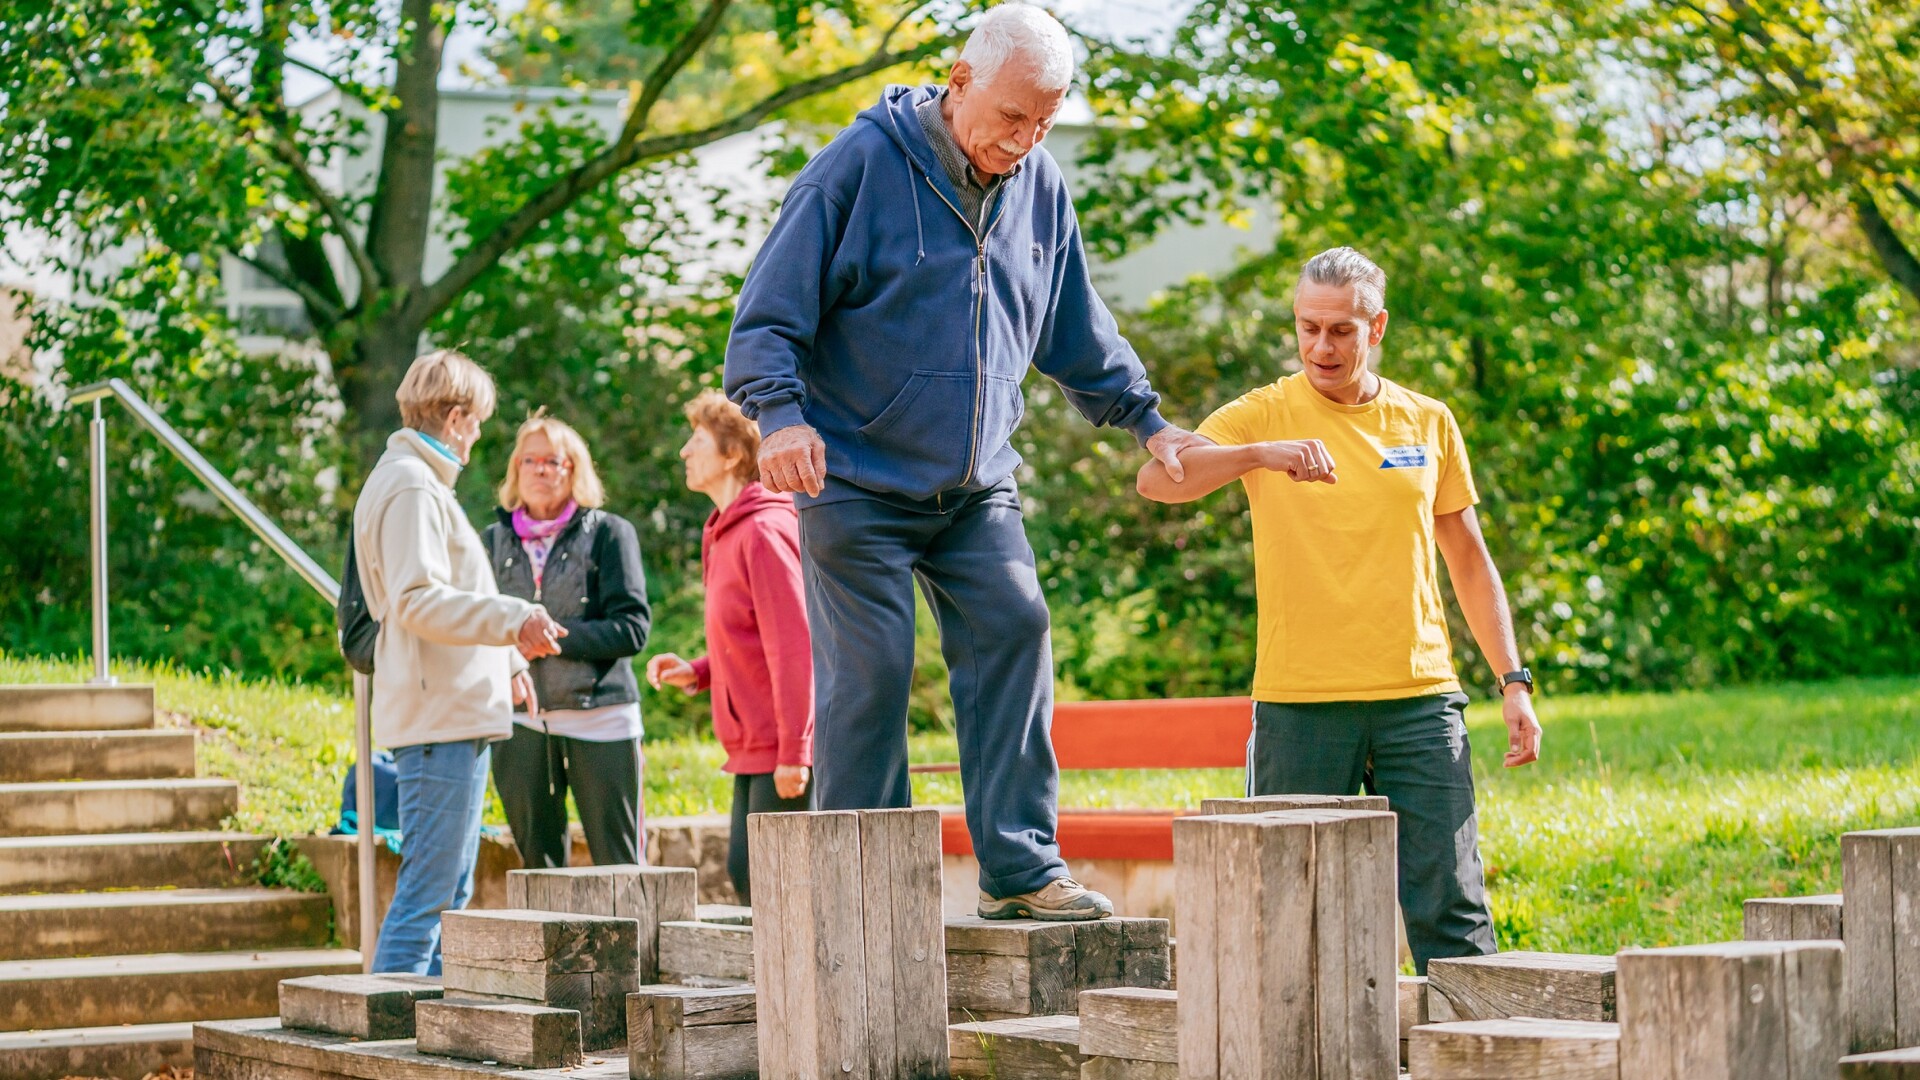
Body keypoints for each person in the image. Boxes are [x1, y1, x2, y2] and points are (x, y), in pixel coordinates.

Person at [723, 3, 1206, 920]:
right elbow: (766, 318)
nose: (1023, 140)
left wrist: (1147, 419)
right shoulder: (857, 168)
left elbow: (1073, 326)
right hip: (854, 479)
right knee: (873, 669)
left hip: (975, 482)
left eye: (1044, 121)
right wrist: (780, 418)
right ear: (958, 79)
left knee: (1015, 626)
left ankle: (1020, 871)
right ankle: (860, 887)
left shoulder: (1040, 185)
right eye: (1012, 116)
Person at [1136, 246, 1543, 972]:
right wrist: (1261, 454)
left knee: (1452, 908)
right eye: (1308, 328)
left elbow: (1470, 562)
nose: (1321, 347)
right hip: (1301, 705)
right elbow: (1159, 482)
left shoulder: (1426, 421)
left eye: (1341, 331)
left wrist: (1514, 681)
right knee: (1287, 918)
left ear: (1376, 327)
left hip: (1419, 701)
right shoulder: (1264, 412)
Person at [351, 349, 566, 974]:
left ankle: (435, 1050)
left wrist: (506, 662)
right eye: (477, 422)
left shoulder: (419, 482)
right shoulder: (411, 485)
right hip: (437, 718)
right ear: (454, 416)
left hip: (453, 715)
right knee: (429, 902)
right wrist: (513, 618)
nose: (479, 435)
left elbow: (442, 602)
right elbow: (417, 600)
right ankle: (381, 1060)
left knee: (449, 900)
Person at [645, 391, 813, 904]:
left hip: (780, 746)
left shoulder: (763, 530)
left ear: (733, 454)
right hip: (752, 745)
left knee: (766, 884)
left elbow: (795, 646)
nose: (684, 452)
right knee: (750, 880)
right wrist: (697, 671)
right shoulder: (724, 532)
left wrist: (795, 753)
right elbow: (751, 636)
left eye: (696, 440)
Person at [483, 413, 652, 870]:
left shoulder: (610, 533)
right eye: (529, 460)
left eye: (552, 461)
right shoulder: (491, 542)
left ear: (574, 469)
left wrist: (551, 638)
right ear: (516, 470)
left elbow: (632, 627)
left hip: (601, 719)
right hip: (520, 724)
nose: (540, 470)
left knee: (621, 868)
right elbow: (476, 626)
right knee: (539, 871)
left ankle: (635, 946)